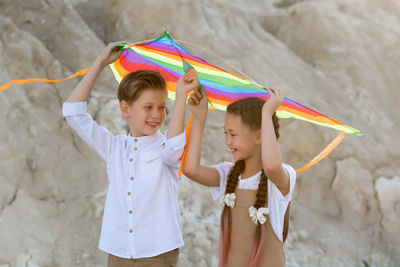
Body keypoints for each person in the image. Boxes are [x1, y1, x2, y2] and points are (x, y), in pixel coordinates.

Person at [62, 41, 199, 267]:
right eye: (148, 107)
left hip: (158, 253)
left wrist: (182, 96)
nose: (157, 114)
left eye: (162, 107)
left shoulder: (165, 149)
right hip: (117, 252)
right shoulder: (115, 147)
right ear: (125, 109)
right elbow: (73, 113)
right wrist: (101, 62)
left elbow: (174, 149)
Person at [182, 87, 296, 267]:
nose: (227, 141)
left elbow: (272, 166)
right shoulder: (228, 174)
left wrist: (267, 114)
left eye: (233, 134)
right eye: (225, 133)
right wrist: (199, 116)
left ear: (259, 136)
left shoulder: (282, 177)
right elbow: (190, 169)